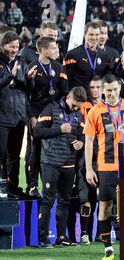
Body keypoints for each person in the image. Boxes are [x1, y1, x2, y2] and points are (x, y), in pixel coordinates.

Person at [34, 86, 86, 248]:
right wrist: (59, 129)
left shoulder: (78, 113)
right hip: (50, 162)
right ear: (69, 96)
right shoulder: (52, 108)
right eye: (75, 104)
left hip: (69, 163)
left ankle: (61, 236)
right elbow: (37, 132)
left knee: (65, 201)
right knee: (48, 200)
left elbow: (82, 133)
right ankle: (43, 239)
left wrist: (81, 142)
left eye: (79, 105)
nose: (77, 107)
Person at [84, 74, 124, 260]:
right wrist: (88, 168)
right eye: (108, 90)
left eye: (115, 90)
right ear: (102, 90)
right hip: (106, 165)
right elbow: (88, 141)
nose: (112, 94)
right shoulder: (95, 111)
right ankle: (108, 247)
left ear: (120, 89)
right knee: (105, 206)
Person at [25, 36, 69, 198]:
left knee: (52, 150)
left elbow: (64, 92)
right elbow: (27, 95)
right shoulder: (31, 68)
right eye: (52, 48)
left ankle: (51, 186)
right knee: (36, 149)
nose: (55, 50)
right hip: (37, 113)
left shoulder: (58, 67)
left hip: (53, 114)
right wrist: (31, 116)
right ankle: (32, 186)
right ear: (43, 50)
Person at [0, 30, 33, 198]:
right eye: (11, 46)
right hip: (2, 116)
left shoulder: (21, 61)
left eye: (16, 46)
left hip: (19, 116)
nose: (14, 50)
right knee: (2, 154)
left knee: (14, 155)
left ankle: (13, 187)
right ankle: (2, 186)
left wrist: (30, 79)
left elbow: (28, 88)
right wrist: (9, 76)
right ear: (3, 45)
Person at [78, 76, 102, 244]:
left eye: (97, 87)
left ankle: (102, 233)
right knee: (86, 197)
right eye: (92, 87)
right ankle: (85, 233)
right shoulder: (83, 107)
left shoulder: (109, 107)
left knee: (104, 198)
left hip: (104, 159)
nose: (95, 90)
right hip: (86, 159)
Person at [63, 22, 112, 90]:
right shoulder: (72, 54)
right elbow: (65, 79)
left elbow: (106, 79)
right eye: (91, 34)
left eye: (97, 34)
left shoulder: (104, 56)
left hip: (96, 98)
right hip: (78, 98)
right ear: (84, 34)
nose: (94, 38)